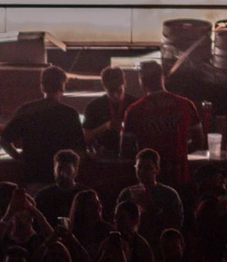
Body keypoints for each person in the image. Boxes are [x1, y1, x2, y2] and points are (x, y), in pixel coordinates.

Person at [121, 61, 203, 190]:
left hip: (149, 180)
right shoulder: (186, 105)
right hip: (179, 176)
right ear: (163, 78)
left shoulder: (134, 110)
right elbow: (199, 142)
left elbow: (125, 150)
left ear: (142, 81)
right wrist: (179, 151)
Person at [0, 65, 86, 185]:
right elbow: (80, 150)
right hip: (62, 178)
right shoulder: (70, 114)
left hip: (33, 176)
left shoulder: (26, 110)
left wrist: (19, 158)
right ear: (62, 87)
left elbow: (3, 140)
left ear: (42, 87)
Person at [117, 148, 185, 239]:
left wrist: (150, 208)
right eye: (139, 167)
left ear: (157, 169)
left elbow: (175, 225)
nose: (142, 172)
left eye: (147, 168)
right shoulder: (127, 194)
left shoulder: (169, 195)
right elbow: (117, 222)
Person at [83, 66, 138, 158]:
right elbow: (85, 138)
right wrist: (105, 126)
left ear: (124, 84)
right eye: (111, 91)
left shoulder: (135, 105)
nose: (115, 95)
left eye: (119, 90)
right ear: (104, 88)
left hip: (131, 157)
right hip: (102, 157)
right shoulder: (94, 107)